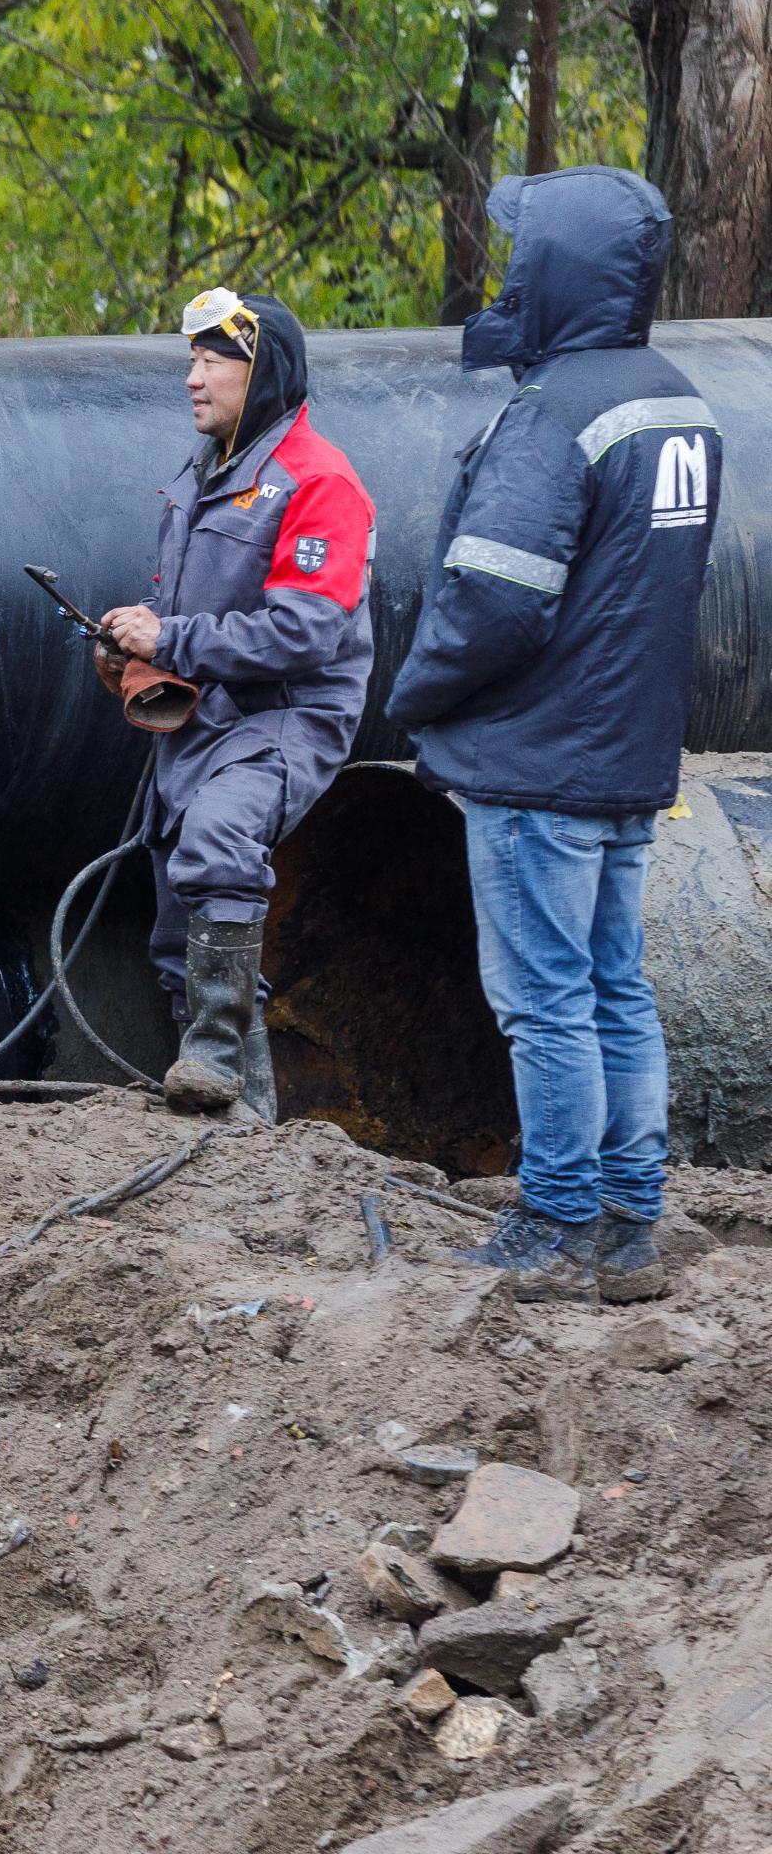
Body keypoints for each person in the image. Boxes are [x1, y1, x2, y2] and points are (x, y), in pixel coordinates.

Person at [385, 167, 720, 1306]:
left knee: (544, 998)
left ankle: (558, 1216)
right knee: (616, 984)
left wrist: (414, 695)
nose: (505, 271)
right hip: (629, 759)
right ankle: (632, 1219)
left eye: (521, 252)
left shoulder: (554, 414)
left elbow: (493, 600)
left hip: (540, 766)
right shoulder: (682, 400)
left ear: (557, 267)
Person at [96, 290, 377, 1122]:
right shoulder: (200, 476)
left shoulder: (321, 482)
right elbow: (182, 619)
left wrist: (170, 638)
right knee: (177, 927)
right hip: (201, 724)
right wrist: (129, 654)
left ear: (264, 372)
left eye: (212, 360)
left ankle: (215, 1055)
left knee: (220, 840)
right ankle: (243, 1132)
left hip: (286, 718)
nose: (192, 378)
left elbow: (306, 632)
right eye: (192, 359)